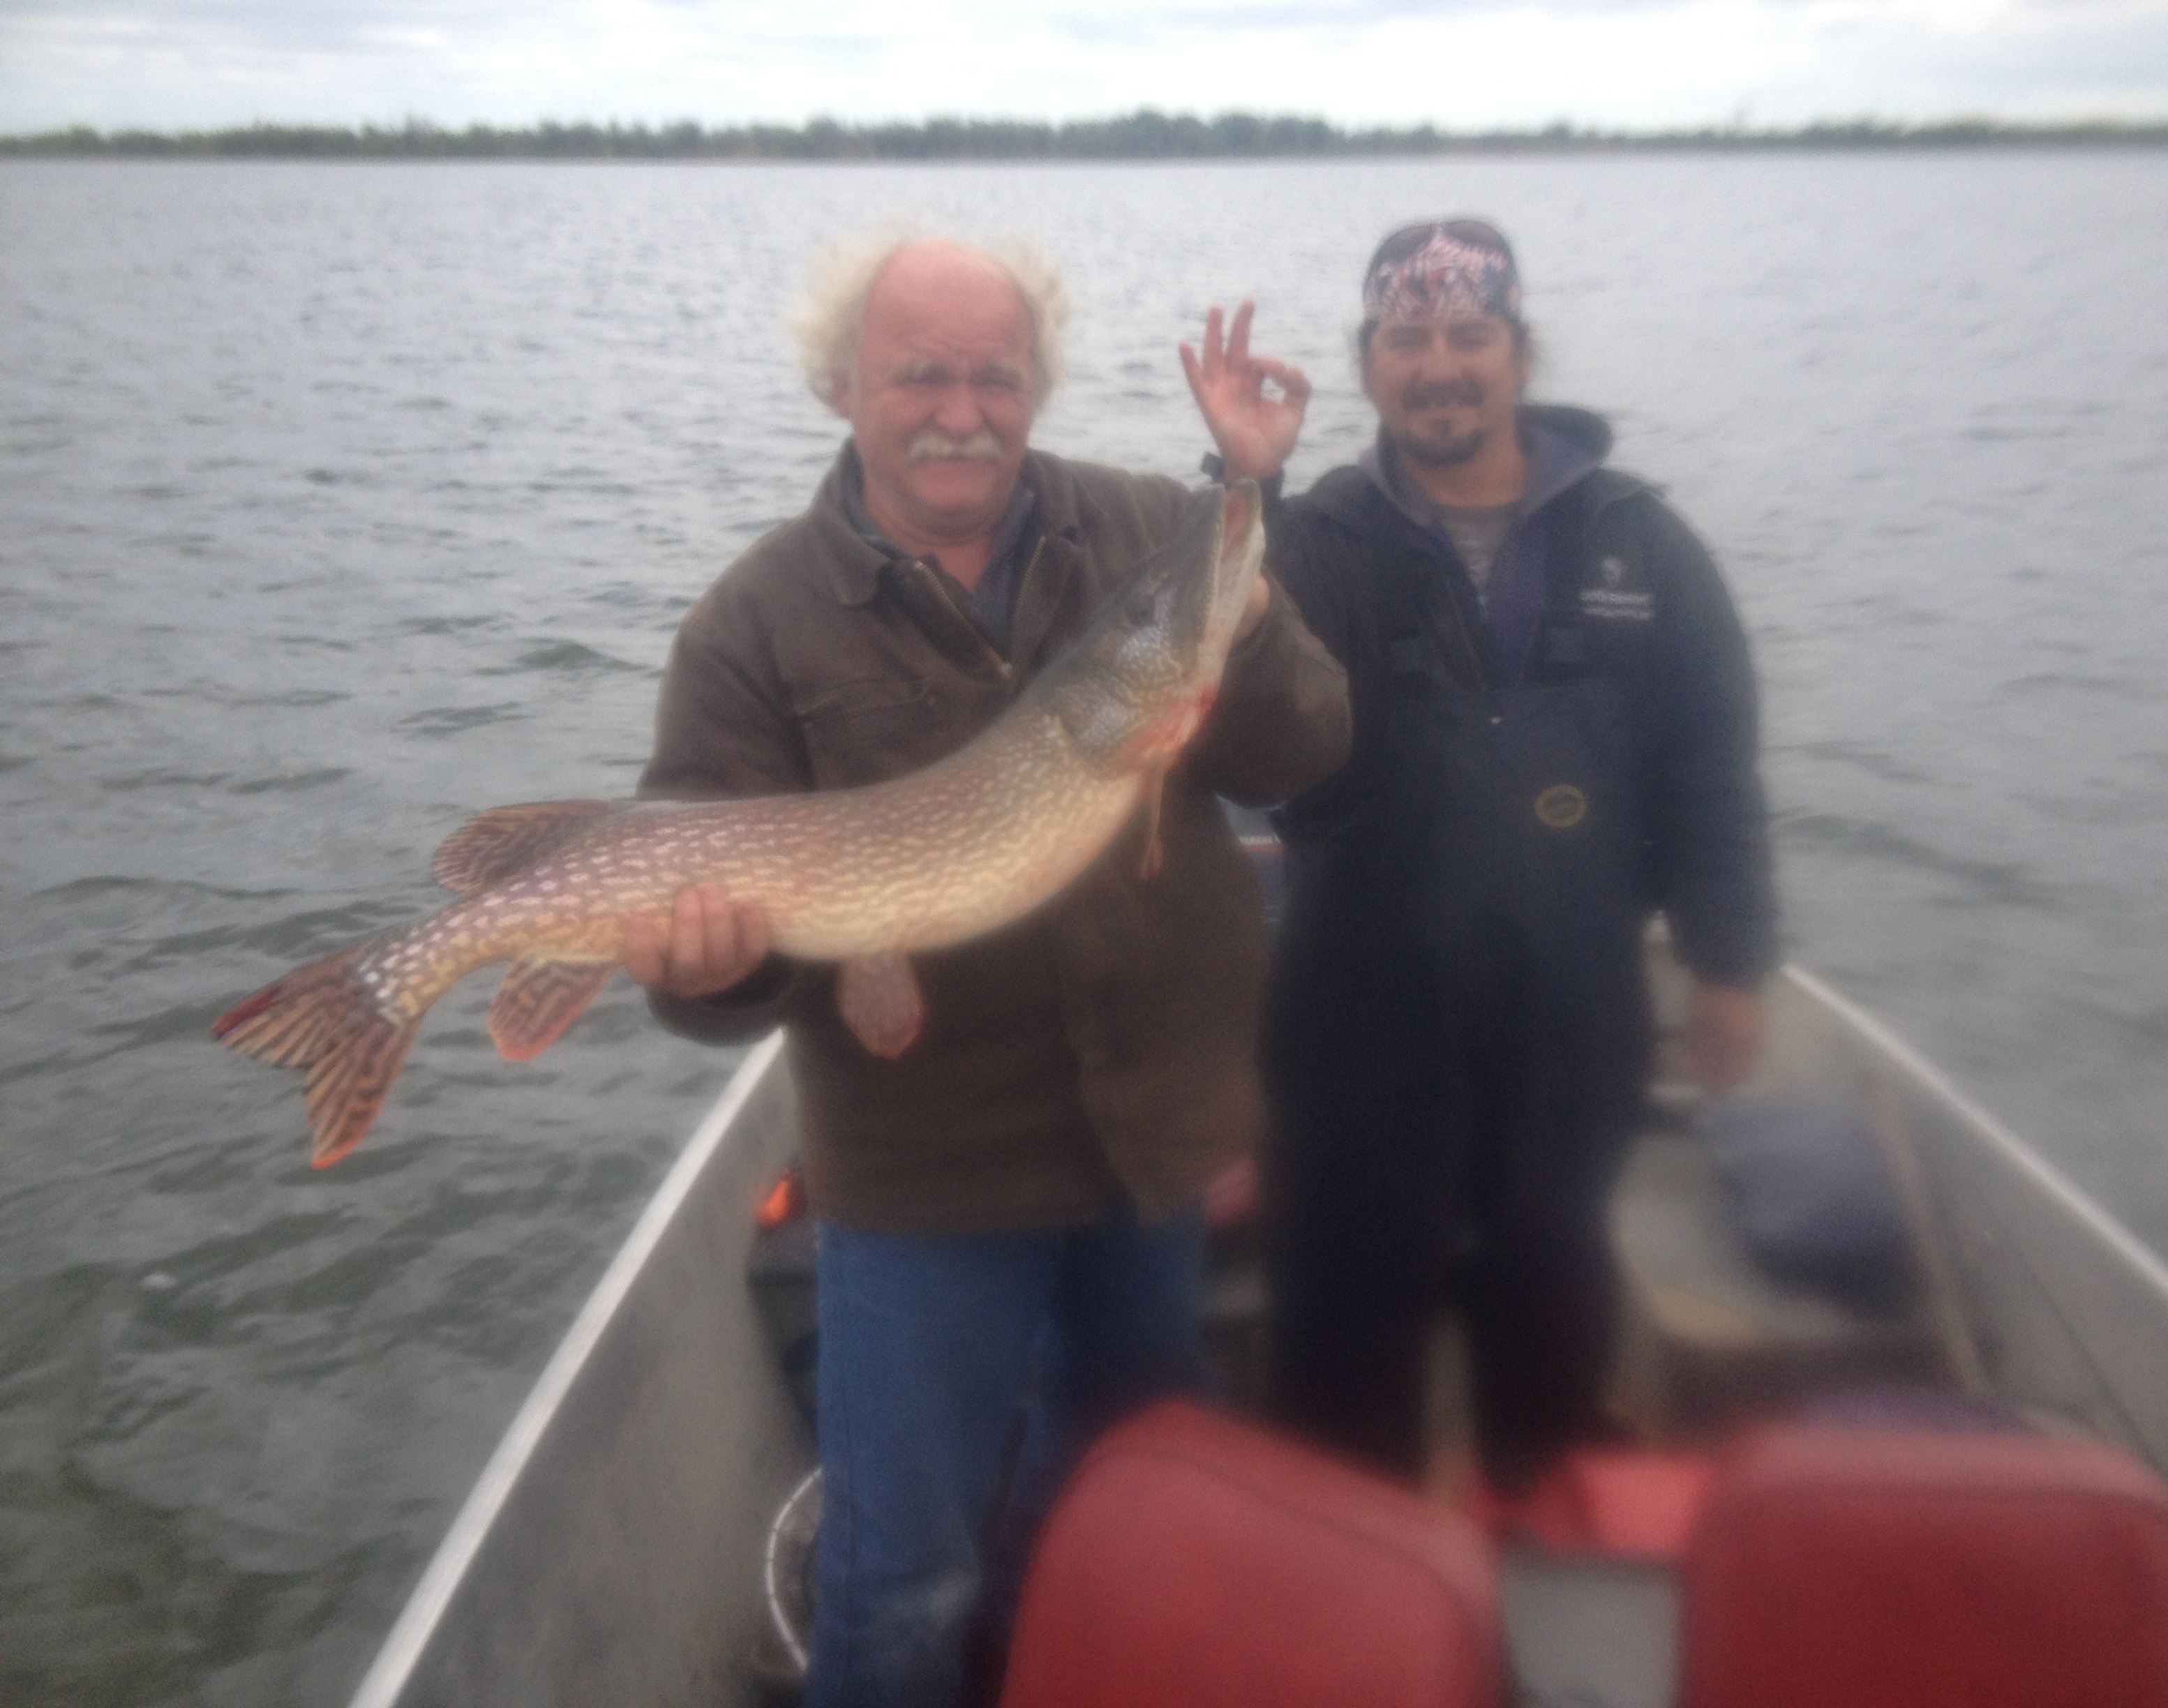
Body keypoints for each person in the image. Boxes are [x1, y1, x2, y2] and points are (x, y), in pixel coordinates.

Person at [625, 234, 1350, 1708]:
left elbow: (1307, 750)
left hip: (1152, 1142)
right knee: (902, 1576)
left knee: (1117, 1493)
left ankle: (1053, 1665)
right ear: (842, 385)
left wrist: (1247, 584)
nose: (961, 408)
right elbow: (707, 999)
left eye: (994, 376)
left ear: (1035, 390)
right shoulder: (752, 624)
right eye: (920, 374)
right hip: (923, 1178)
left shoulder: (1151, 527)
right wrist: (703, 968)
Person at [1261, 218, 1779, 1490]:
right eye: (1406, 338)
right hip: (1354, 1011)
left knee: (1550, 1306)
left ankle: (1539, 1571)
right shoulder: (1316, 538)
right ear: (1368, 364)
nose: (1440, 365)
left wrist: (1729, 963)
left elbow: (1710, 760)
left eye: (1469, 335)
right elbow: (1221, 698)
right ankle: (1349, 1596)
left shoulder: (1640, 543)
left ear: (1521, 351)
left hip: (1572, 1014)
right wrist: (1247, 488)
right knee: (1337, 1340)